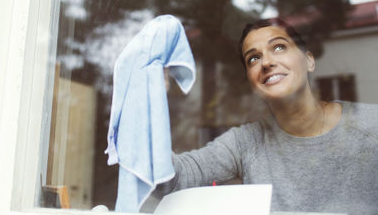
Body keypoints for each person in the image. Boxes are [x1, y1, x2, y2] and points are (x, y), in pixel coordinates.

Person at [155, 18, 378, 214]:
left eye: (279, 47)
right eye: (253, 58)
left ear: (309, 60)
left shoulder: (371, 126)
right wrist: (150, 101)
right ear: (251, 81)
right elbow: (173, 180)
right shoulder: (245, 143)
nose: (267, 62)